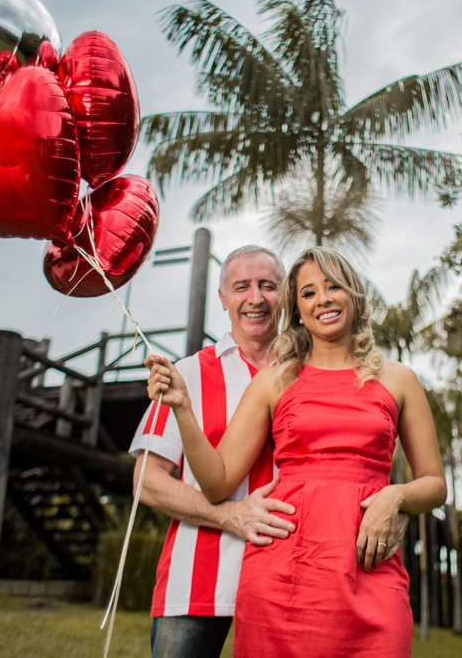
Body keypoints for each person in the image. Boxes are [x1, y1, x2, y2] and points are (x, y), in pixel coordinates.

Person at [147, 247, 447, 657]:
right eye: (308, 293)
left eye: (333, 286)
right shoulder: (274, 381)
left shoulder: (398, 379)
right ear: (297, 310)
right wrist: (182, 407)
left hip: (372, 574)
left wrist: (396, 496)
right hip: (280, 582)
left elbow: (435, 484)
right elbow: (216, 482)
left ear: (353, 296)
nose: (322, 299)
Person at [129, 245, 295, 658]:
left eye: (268, 286)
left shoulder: (307, 376)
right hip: (195, 584)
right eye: (241, 287)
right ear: (223, 298)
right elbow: (146, 482)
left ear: (285, 294)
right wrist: (228, 515)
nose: (255, 298)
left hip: (290, 580)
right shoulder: (187, 373)